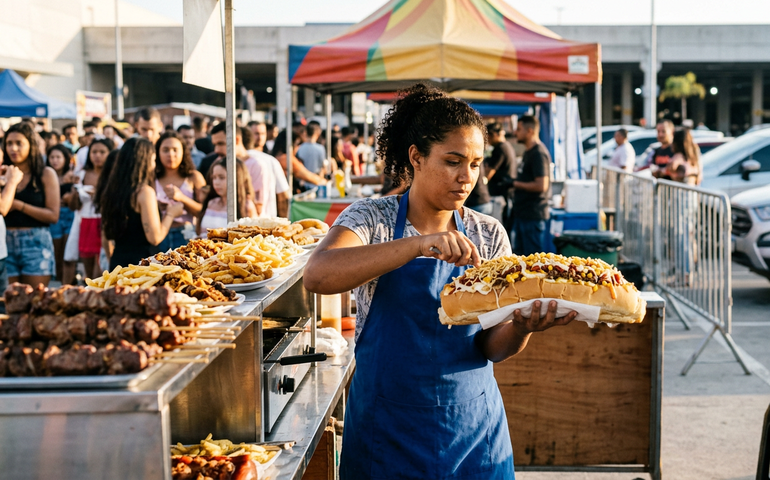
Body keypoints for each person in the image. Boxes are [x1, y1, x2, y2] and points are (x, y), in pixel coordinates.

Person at [304, 84, 575, 480]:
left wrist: (520, 326)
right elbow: (319, 274)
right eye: (453, 161)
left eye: (477, 164)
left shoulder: (488, 234)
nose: (466, 177)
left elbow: (491, 345)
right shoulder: (372, 218)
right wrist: (417, 245)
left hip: (471, 435)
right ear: (416, 157)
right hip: (386, 432)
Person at [101, 138, 185, 270]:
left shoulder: (112, 190)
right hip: (142, 266)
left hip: (118, 262)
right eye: (152, 160)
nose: (154, 165)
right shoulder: (144, 192)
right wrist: (171, 213)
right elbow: (155, 237)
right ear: (144, 162)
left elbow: (105, 233)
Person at [0, 122, 60, 287]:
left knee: (35, 301)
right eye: (9, 143)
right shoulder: (3, 173)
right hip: (5, 243)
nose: (13, 148)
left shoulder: (45, 174)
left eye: (19, 143)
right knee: (10, 302)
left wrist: (19, 205)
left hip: (36, 242)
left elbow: (53, 216)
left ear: (31, 145)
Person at [63, 138, 114, 283]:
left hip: (104, 222)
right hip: (85, 221)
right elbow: (73, 205)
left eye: (102, 152)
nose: (97, 155)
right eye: (94, 152)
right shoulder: (82, 174)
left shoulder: (113, 175)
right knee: (89, 268)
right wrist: (76, 194)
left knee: (103, 266)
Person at [154, 131, 206, 250]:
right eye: (165, 150)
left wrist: (182, 198)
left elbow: (204, 211)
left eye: (175, 150)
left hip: (186, 234)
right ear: (158, 152)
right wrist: (157, 206)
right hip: (159, 235)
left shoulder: (194, 177)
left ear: (183, 152)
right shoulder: (152, 178)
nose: (171, 154)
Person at [210, 123, 271, 217]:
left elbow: (258, 206)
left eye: (221, 144)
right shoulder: (217, 163)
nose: (216, 150)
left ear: (236, 140)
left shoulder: (256, 165)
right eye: (215, 145)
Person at [512, 115, 551, 255]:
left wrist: (514, 183)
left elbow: (541, 186)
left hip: (533, 215)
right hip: (523, 214)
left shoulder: (538, 154)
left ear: (529, 131)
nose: (515, 132)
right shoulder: (529, 152)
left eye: (519, 129)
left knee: (532, 262)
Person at [196, 158, 257, 234]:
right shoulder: (211, 203)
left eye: (221, 177)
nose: (216, 182)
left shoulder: (246, 207)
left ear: (236, 178)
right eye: (214, 178)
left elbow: (252, 236)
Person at [46, 145, 78, 281]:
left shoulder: (72, 177)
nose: (55, 160)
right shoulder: (45, 176)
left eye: (58, 157)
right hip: (55, 218)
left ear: (65, 159)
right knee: (57, 254)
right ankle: (61, 283)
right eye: (52, 157)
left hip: (69, 216)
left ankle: (68, 283)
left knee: (68, 254)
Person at [244, 129, 291, 218]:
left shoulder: (270, 160)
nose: (260, 137)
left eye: (262, 133)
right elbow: (283, 195)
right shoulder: (270, 160)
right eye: (256, 133)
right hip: (265, 219)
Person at [485, 123, 517, 228]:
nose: (488, 140)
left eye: (488, 137)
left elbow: (489, 173)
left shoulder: (500, 148)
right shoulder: (506, 146)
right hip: (505, 196)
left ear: (494, 134)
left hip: (500, 197)